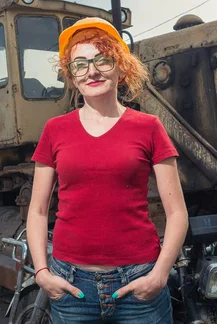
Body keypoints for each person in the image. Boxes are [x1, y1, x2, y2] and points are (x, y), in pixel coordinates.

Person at [26, 17, 188, 323]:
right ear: (71, 76)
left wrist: (160, 274)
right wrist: (42, 272)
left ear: (121, 65)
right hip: (71, 287)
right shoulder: (54, 130)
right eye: (81, 64)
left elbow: (177, 211)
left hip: (140, 283)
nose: (93, 71)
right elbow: (37, 210)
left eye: (103, 59)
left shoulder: (149, 127)